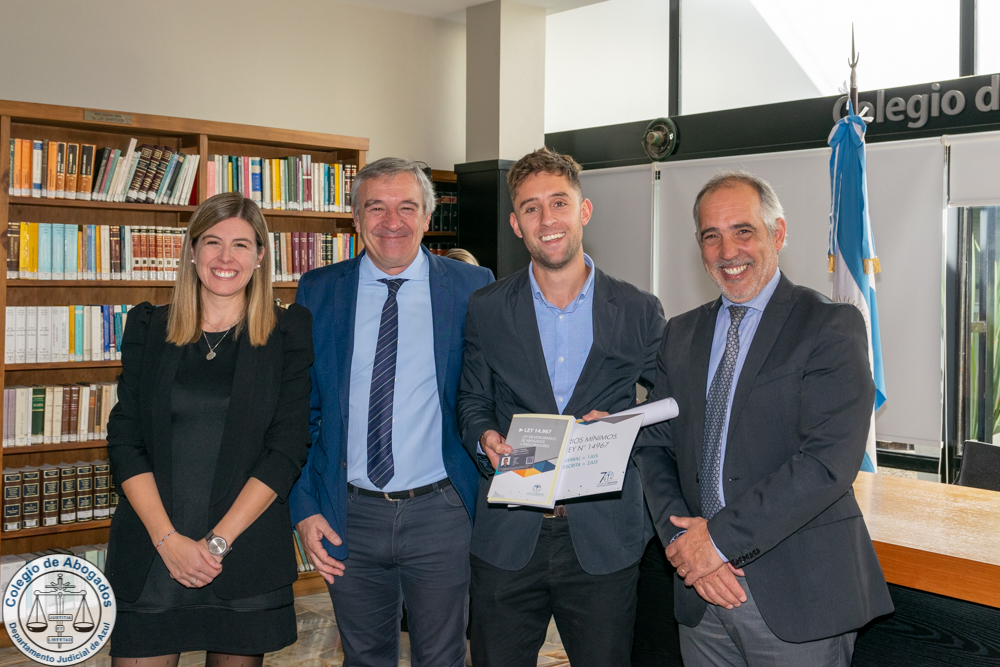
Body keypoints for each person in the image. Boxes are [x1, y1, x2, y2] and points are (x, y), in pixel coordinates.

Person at [634, 171, 893, 666]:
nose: (728, 250)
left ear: (777, 234)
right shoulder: (680, 334)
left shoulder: (829, 325)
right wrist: (686, 544)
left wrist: (717, 541)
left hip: (797, 593)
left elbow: (827, 463)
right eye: (711, 236)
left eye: (743, 231)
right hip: (700, 593)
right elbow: (654, 446)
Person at [457, 148, 666, 667]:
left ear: (583, 210)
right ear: (516, 224)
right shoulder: (487, 308)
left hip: (604, 537)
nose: (547, 219)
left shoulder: (638, 309)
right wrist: (484, 438)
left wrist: (623, 427)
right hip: (508, 534)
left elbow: (669, 406)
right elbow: (472, 400)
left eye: (559, 203)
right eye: (531, 208)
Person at [288, 157, 494, 667]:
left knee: (443, 657)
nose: (392, 221)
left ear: (427, 216)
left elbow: (490, 393)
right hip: (347, 514)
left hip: (442, 512)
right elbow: (297, 412)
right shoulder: (319, 290)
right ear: (355, 219)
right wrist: (304, 509)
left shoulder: (472, 287)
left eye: (406, 207)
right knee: (364, 658)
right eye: (376, 207)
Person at [105, 192, 314, 666]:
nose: (225, 257)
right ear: (192, 251)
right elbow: (125, 439)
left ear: (260, 257)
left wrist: (216, 544)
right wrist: (168, 541)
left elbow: (286, 449)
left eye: (241, 245)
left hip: (243, 554)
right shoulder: (148, 327)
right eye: (213, 242)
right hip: (153, 554)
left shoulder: (287, 333)